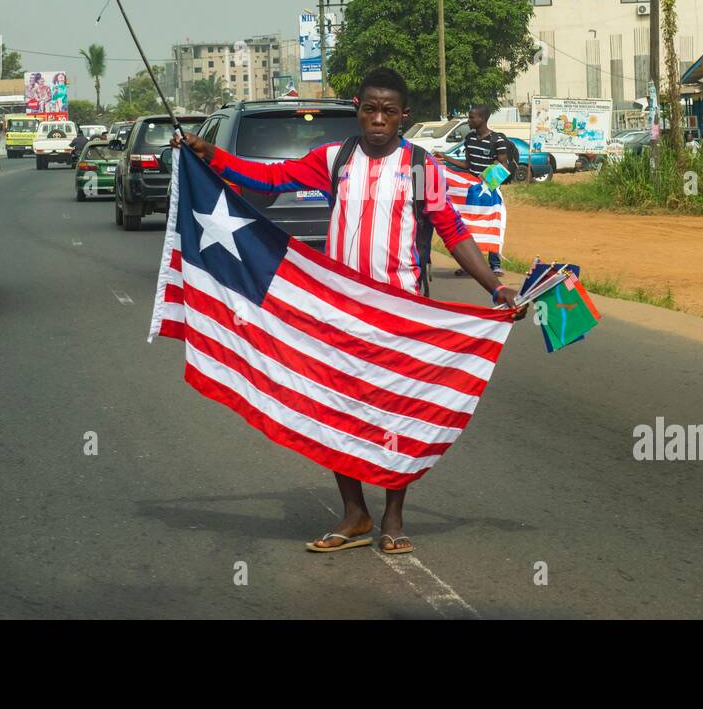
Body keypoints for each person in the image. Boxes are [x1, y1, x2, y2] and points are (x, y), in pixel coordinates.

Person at [173, 68, 524, 556]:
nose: (377, 119)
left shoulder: (420, 166)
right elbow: (271, 177)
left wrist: (495, 287)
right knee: (340, 406)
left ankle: (393, 517)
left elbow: (451, 229)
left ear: (403, 116)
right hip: (340, 309)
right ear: (358, 108)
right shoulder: (335, 159)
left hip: (402, 308)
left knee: (398, 407)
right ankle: (355, 514)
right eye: (369, 109)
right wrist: (214, 156)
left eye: (388, 111)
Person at [445, 104, 510, 279]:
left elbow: (503, 165)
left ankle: (494, 265)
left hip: (490, 190)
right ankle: (470, 265)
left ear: (482, 119)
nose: (469, 120)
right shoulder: (469, 139)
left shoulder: (498, 140)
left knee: (493, 224)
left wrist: (487, 181)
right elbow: (467, 165)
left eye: (472, 117)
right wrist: (446, 159)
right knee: (468, 226)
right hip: (471, 190)